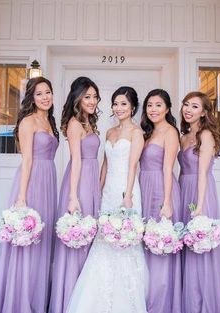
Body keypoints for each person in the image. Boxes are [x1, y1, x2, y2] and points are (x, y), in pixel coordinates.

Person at [66, 86, 148, 313]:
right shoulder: (109, 132)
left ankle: (127, 299)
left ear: (132, 107)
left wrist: (129, 195)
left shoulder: (137, 133)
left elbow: (133, 165)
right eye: (115, 103)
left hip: (126, 191)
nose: (118, 108)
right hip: (109, 191)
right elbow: (105, 164)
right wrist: (99, 190)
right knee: (104, 241)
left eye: (123, 104)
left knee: (125, 241)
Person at [0, 77, 59, 313]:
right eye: (39, 93)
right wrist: (21, 197)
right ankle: (20, 300)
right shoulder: (28, 122)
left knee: (42, 242)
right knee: (28, 240)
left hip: (49, 180)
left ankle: (37, 296)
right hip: (32, 183)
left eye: (48, 92)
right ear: (31, 97)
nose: (45, 97)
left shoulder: (50, 121)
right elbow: (28, 160)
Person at [48, 76, 102, 313]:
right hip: (79, 183)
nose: (92, 101)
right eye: (87, 96)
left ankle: (86, 298)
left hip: (91, 182)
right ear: (77, 98)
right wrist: (72, 195)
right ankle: (70, 298)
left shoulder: (90, 122)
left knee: (90, 237)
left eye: (94, 96)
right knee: (77, 236)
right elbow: (77, 161)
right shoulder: (74, 123)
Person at [178, 91, 220, 313]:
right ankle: (188, 300)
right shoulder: (184, 136)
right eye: (186, 105)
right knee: (186, 246)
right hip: (184, 190)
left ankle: (201, 304)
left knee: (199, 247)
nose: (188, 109)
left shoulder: (206, 135)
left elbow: (202, 173)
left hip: (201, 192)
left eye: (195, 106)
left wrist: (199, 206)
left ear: (205, 112)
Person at [140, 89, 182, 313]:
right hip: (144, 188)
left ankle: (160, 304)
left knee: (159, 244)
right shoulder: (147, 132)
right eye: (149, 105)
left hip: (160, 189)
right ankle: (145, 298)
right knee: (145, 244)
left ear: (167, 108)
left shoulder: (170, 132)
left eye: (158, 105)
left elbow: (168, 168)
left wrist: (167, 201)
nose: (153, 109)